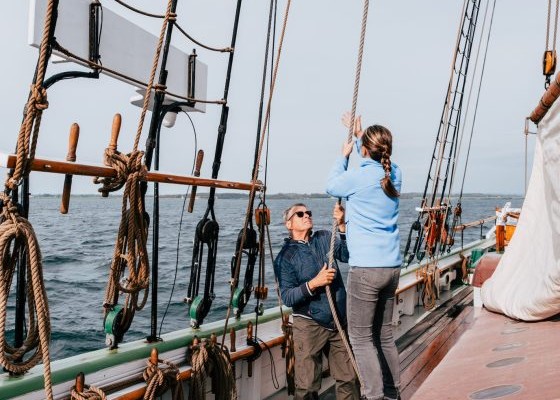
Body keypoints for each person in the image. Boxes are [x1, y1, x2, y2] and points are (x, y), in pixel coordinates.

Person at [326, 112, 402, 400]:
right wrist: (360, 138)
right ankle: (393, 393)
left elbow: (332, 185)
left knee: (360, 338)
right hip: (392, 267)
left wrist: (343, 156)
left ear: (366, 151)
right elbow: (377, 162)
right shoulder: (394, 173)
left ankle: (373, 396)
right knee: (383, 336)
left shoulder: (357, 176)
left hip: (366, 270)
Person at [274, 202, 360, 400]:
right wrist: (314, 283)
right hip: (309, 324)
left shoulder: (324, 238)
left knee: (349, 378)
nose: (307, 216)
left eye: (308, 212)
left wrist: (342, 226)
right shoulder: (285, 257)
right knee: (306, 386)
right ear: (289, 224)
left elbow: (348, 255)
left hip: (338, 321)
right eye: (300, 214)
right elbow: (287, 297)